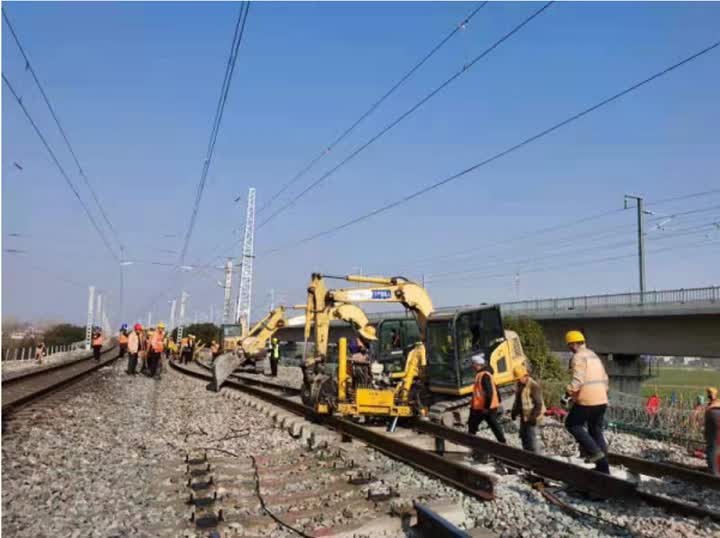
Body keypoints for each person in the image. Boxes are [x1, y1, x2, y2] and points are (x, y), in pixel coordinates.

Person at [563, 330, 610, 474]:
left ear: (573, 344)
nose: (569, 348)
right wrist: (603, 393)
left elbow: (578, 380)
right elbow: (605, 378)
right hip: (602, 400)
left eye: (569, 345)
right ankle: (603, 469)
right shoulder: (593, 355)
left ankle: (595, 453)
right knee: (596, 431)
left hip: (587, 400)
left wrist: (567, 393)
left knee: (572, 424)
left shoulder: (578, 357)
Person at [468, 354, 507, 444]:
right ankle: (502, 442)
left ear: (478, 364)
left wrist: (486, 407)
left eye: (473, 364)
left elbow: (489, 393)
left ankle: (470, 442)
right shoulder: (486, 374)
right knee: (492, 424)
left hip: (483, 407)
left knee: (473, 424)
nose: (472, 367)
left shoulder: (484, 376)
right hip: (485, 407)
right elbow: (495, 389)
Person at [510, 364, 546, 453]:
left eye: (519, 378)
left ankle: (537, 461)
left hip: (533, 417)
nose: (518, 380)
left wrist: (533, 417)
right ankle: (527, 458)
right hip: (524, 417)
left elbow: (538, 403)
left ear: (525, 375)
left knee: (532, 440)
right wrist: (514, 412)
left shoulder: (533, 386)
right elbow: (518, 401)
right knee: (524, 438)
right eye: (517, 378)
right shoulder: (520, 385)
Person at [705, 387, 720, 476]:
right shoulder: (717, 402)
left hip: (712, 416)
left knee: (712, 446)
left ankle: (714, 473)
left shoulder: (711, 407)